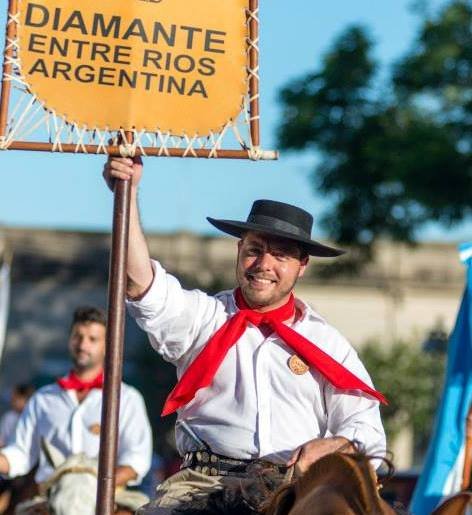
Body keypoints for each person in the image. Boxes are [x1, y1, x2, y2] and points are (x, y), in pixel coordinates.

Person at [104, 157, 386, 514]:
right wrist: (126, 195)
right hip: (205, 487)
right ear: (239, 251)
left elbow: (368, 432)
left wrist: (334, 445)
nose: (264, 264)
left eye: (281, 255)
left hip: (293, 490)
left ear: (302, 265)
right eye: (255, 250)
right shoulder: (204, 317)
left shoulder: (329, 343)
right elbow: (141, 284)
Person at [0, 306, 152, 490]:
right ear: (69, 340)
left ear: (108, 345)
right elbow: (21, 454)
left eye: (92, 339)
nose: (83, 345)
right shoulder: (43, 399)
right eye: (77, 337)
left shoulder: (127, 399)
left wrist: (95, 486)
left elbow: (136, 460)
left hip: (108, 498)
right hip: (51, 497)